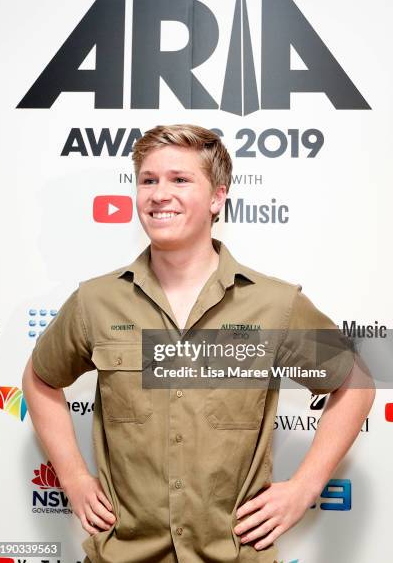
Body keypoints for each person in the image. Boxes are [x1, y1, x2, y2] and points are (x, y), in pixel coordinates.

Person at [22, 124, 374, 563]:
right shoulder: (96, 301)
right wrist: (72, 476)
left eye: (180, 179)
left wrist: (304, 488)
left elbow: (355, 383)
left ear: (217, 198)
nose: (158, 194)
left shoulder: (274, 304)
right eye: (148, 180)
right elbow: (39, 379)